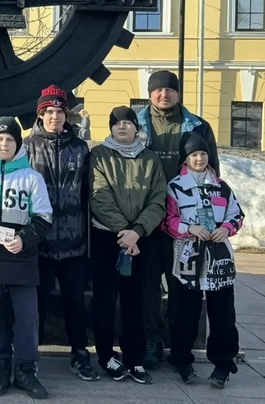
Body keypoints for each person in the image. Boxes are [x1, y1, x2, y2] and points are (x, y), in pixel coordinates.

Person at [136, 70, 220, 369]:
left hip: (186, 222)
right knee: (148, 283)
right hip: (147, 217)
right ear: (150, 93)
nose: (164, 94)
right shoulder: (136, 125)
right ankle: (153, 339)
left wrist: (209, 219)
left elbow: (212, 174)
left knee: (182, 283)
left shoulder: (198, 126)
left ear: (178, 93)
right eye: (158, 90)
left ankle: (178, 341)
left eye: (170, 89)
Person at [0, 116, 53, 399]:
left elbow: (44, 217)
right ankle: (0, 368)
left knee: (26, 317)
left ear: (18, 143)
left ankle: (26, 371)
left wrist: (24, 239)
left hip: (21, 257)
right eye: (0, 139)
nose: (4, 144)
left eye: (10, 139)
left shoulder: (32, 177)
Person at [22, 85, 98, 381]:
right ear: (40, 115)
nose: (55, 116)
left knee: (75, 303)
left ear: (67, 115)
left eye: (60, 111)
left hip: (73, 242)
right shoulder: (27, 147)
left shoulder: (80, 148)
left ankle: (80, 351)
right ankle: (30, 355)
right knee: (36, 304)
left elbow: (89, 193)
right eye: (49, 112)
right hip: (38, 242)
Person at [89, 106, 166, 385]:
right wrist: (123, 230)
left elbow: (158, 198)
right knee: (105, 299)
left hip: (140, 239)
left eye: (127, 122)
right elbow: (98, 196)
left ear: (136, 127)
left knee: (136, 300)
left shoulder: (150, 159)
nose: (122, 127)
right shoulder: (99, 155)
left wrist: (137, 231)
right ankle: (106, 355)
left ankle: (134, 357)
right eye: (116, 123)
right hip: (107, 237)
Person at [164, 136, 244, 389]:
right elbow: (167, 220)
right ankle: (181, 360)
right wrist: (189, 228)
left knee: (223, 313)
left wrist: (227, 228)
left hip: (219, 257)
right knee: (185, 311)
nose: (199, 159)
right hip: (188, 256)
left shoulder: (222, 186)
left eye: (203, 154)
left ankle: (223, 364)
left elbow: (237, 214)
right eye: (194, 155)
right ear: (185, 158)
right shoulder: (175, 187)